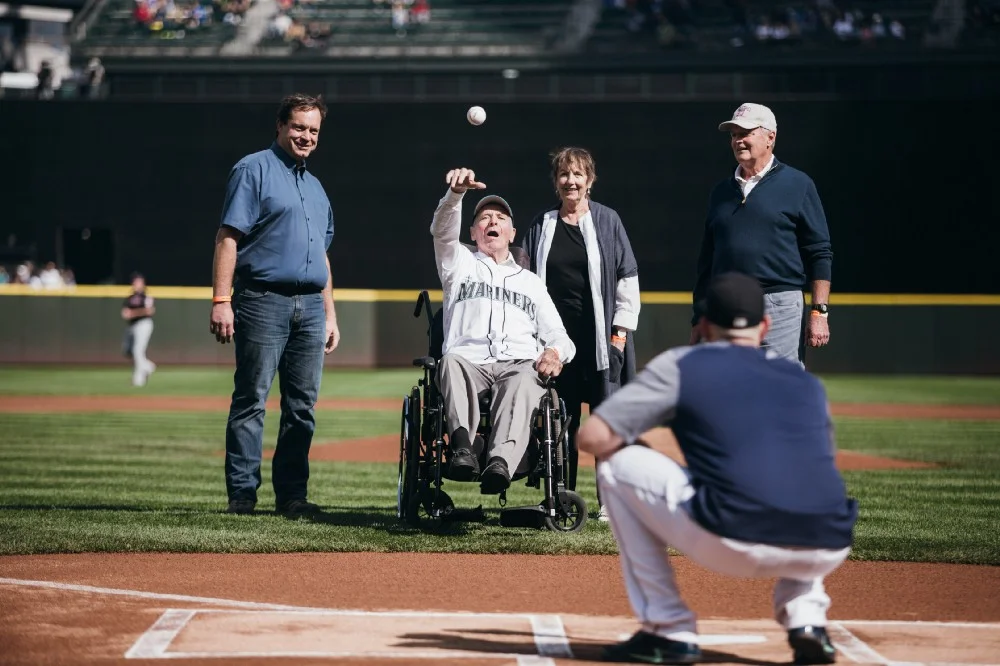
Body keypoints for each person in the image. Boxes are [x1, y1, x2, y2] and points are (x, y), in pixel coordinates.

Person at [577, 271, 858, 665]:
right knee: (801, 480)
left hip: (732, 538)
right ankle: (808, 620)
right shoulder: (802, 380)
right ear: (765, 325)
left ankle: (668, 628)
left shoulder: (684, 364)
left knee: (616, 466)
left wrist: (642, 446)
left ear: (705, 325)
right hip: (829, 543)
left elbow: (592, 438)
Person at [210, 93, 341, 517]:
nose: (306, 136)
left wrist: (330, 313)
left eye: (313, 130)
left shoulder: (316, 187)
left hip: (310, 306)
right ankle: (243, 497)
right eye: (299, 127)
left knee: (301, 408)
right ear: (281, 127)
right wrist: (221, 299)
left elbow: (321, 255)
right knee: (251, 399)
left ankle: (292, 497)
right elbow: (228, 237)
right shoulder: (254, 169)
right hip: (263, 301)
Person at [431, 167, 576, 495]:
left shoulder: (531, 283)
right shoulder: (459, 263)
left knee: (526, 377)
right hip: (469, 361)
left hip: (517, 363)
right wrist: (455, 196)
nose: (492, 222)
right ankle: (464, 449)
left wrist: (555, 352)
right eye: (484, 218)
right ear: (472, 232)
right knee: (450, 360)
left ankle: (499, 463)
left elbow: (559, 335)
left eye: (499, 218)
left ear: (512, 233)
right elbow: (442, 231)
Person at [520, 147, 640, 521]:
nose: (570, 181)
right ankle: (560, 499)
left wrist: (618, 339)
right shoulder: (542, 224)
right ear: (556, 182)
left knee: (605, 425)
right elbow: (524, 280)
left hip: (602, 344)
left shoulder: (608, 220)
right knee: (560, 424)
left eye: (578, 174)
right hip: (556, 345)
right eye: (564, 175)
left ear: (590, 180)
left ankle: (610, 503)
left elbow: (627, 282)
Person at [692, 102, 833, 365]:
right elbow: (707, 259)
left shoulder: (798, 184)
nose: (738, 141)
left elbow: (819, 251)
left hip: (779, 302)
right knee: (728, 388)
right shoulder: (721, 192)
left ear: (771, 137)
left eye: (745, 133)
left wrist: (819, 312)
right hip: (726, 303)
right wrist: (699, 315)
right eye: (734, 135)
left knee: (779, 387)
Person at [120, 272, 157, 387]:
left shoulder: (146, 296)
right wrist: (128, 313)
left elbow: (150, 310)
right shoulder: (130, 297)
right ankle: (147, 367)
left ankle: (139, 379)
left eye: (138, 281)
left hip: (143, 324)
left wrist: (133, 313)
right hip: (131, 326)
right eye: (134, 281)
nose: (135, 284)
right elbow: (125, 311)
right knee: (128, 351)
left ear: (143, 283)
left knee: (138, 351)